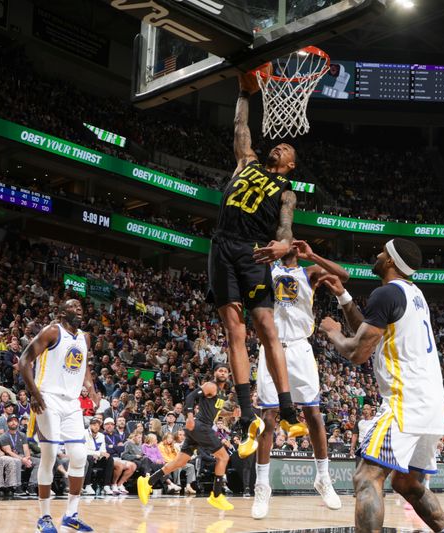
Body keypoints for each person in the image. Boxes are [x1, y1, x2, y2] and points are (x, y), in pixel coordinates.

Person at [319, 238, 444, 533]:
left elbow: (358, 351)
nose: (377, 255)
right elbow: (370, 332)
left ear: (391, 261)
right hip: (429, 403)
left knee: (366, 478)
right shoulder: (414, 295)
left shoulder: (386, 293)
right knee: (408, 482)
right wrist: (344, 297)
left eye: (382, 252)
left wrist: (332, 332)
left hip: (405, 402)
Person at [206, 72, 308, 459]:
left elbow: (285, 233)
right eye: (279, 143)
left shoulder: (287, 192)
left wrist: (281, 249)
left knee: (266, 327)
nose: (279, 147)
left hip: (252, 252)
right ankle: (248, 411)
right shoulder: (246, 162)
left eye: (286, 148)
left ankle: (285, 408)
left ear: (291, 165)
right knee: (234, 328)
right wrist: (244, 92)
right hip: (222, 246)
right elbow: (240, 126)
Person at [252, 240, 349, 519]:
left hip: (300, 347)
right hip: (271, 346)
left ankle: (323, 477)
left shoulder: (309, 273)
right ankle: (262, 486)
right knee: (268, 417)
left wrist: (312, 254)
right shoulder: (266, 268)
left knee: (314, 414)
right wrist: (269, 252)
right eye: (275, 241)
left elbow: (344, 276)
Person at [20, 299, 97, 533]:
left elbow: (84, 365)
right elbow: (25, 361)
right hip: (48, 398)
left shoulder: (85, 338)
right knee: (50, 454)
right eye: (74, 308)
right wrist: (33, 393)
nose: (79, 311)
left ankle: (71, 515)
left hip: (72, 402)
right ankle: (44, 517)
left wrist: (91, 388)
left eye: (81, 308)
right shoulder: (52, 331)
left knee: (79, 456)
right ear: (63, 312)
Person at [138, 363, 236, 511]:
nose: (223, 373)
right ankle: (216, 495)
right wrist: (190, 417)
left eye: (225, 371)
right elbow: (190, 396)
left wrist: (230, 414)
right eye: (220, 370)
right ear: (215, 373)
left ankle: (148, 482)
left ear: (228, 375)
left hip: (198, 428)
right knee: (223, 457)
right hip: (200, 426)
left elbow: (215, 411)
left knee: (179, 462)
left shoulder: (221, 393)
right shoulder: (211, 385)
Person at [0, 414, 39, 495]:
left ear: (18, 423)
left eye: (15, 421)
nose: (13, 423)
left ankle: (31, 486)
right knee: (16, 461)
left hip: (23, 457)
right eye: (11, 421)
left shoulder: (22, 435)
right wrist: (22, 459)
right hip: (11, 458)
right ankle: (17, 487)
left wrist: (27, 458)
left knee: (39, 461)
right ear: (7, 423)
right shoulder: (4, 436)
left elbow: (26, 448)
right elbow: (9, 452)